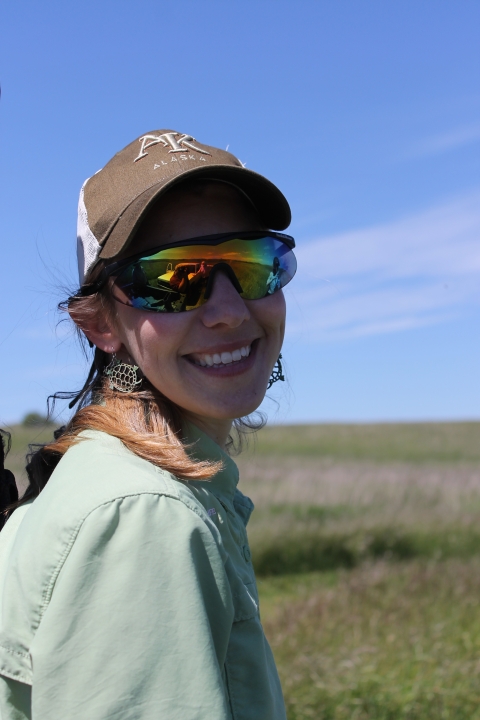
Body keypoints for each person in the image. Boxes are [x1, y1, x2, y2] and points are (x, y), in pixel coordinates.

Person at [0, 129, 297, 720]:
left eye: (253, 263)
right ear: (99, 324)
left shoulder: (109, 477)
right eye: (171, 278)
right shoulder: (143, 513)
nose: (229, 311)